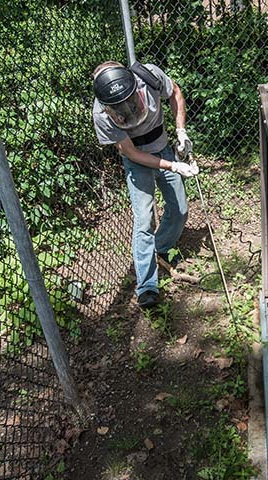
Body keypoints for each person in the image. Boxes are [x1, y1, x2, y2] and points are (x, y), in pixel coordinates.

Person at [91, 60, 198, 310]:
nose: (125, 109)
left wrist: (181, 132)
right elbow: (131, 153)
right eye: (118, 107)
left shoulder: (148, 77)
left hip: (162, 146)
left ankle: (160, 249)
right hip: (138, 160)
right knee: (143, 221)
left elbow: (175, 92)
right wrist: (173, 167)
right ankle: (147, 286)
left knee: (180, 209)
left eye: (128, 102)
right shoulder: (101, 115)